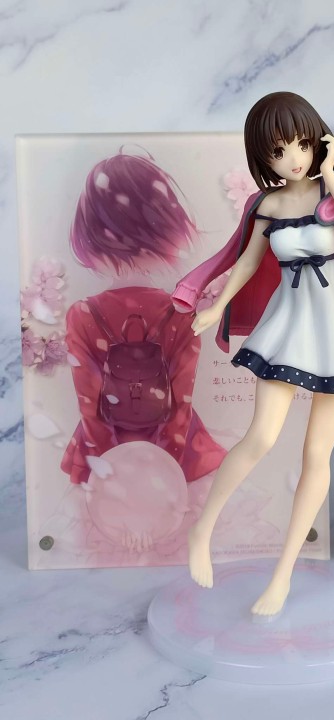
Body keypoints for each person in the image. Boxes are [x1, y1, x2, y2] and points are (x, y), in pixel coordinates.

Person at [172, 92, 334, 616]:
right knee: (260, 436)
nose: (293, 158)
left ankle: (282, 577)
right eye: (278, 152)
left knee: (316, 455)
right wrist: (215, 307)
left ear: (319, 140)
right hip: (291, 323)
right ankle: (202, 529)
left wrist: (330, 173)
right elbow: (245, 263)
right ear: (263, 158)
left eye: (301, 144)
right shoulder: (268, 205)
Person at [61, 149, 226, 488]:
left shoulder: (82, 315)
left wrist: (110, 471)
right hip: (179, 455)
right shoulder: (181, 311)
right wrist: (163, 467)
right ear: (167, 230)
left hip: (103, 454)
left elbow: (90, 409)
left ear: (88, 235)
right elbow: (180, 404)